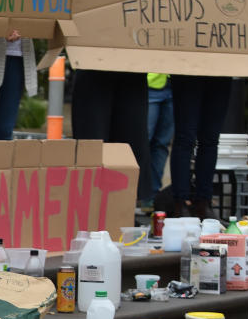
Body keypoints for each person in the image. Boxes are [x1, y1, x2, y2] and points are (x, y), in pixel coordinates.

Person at [71, 69, 152, 202]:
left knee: (131, 144)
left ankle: (123, 207)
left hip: (132, 69)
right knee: (92, 144)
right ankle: (89, 206)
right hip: (93, 67)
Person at [169, 75, 232, 219]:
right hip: (189, 70)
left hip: (221, 71)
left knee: (210, 140)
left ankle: (203, 202)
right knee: (185, 139)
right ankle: (181, 202)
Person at [145, 73, 174, 203]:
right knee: (143, 141)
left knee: (162, 144)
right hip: (150, 84)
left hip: (176, 83)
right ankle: (137, 193)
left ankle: (152, 196)